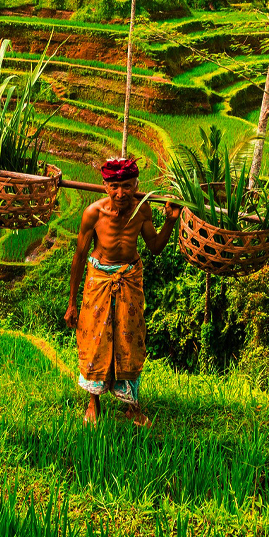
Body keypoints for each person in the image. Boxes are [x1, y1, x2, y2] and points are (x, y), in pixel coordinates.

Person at [64, 157, 181, 426]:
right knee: (95, 339)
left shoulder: (142, 211)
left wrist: (171, 221)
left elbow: (154, 246)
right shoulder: (93, 213)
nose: (121, 193)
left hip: (129, 279)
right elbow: (80, 256)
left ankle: (131, 405)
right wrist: (72, 302)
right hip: (99, 281)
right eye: (115, 186)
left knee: (129, 339)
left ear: (136, 185)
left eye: (127, 186)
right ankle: (94, 401)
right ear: (105, 186)